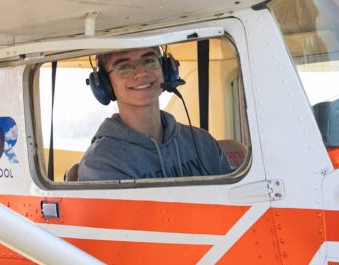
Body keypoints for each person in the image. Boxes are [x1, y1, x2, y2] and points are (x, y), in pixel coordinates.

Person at [78, 47, 233, 180]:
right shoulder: (101, 163)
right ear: (105, 84)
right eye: (124, 67)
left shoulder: (202, 142)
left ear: (166, 69)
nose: (141, 73)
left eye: (149, 61)